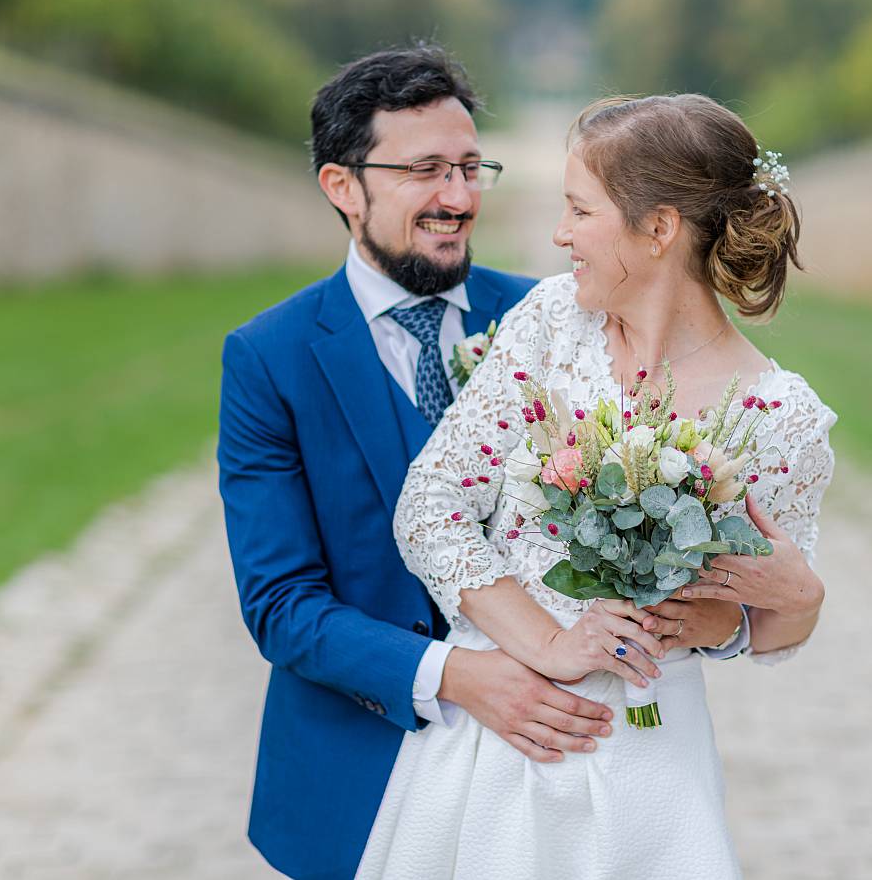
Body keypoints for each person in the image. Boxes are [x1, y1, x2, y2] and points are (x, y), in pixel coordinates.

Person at [216, 49, 744, 880]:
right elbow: (281, 604)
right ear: (342, 186)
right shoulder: (269, 358)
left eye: (470, 167)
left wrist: (750, 614)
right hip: (358, 770)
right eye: (424, 170)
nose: (459, 198)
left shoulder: (559, 311)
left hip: (560, 776)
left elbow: (669, 506)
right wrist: (458, 676)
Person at [358, 94, 836, 880]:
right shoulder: (551, 324)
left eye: (580, 211)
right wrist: (549, 645)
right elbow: (431, 508)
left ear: (660, 228)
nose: (560, 234)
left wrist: (793, 599)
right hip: (507, 727)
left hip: (654, 755)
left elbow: (761, 628)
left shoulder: (780, 415)